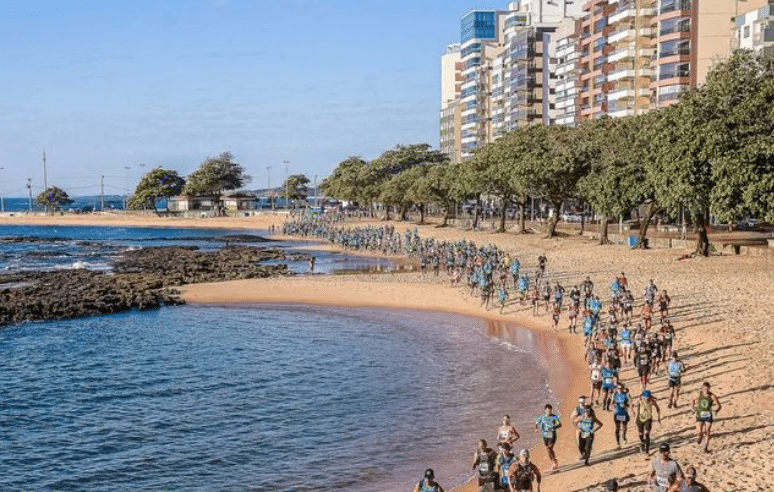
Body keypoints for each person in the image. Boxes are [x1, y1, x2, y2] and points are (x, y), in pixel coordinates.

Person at [692, 382, 721, 453]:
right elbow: (692, 399)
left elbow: (719, 405)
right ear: (702, 388)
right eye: (704, 389)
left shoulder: (712, 396)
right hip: (700, 414)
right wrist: (692, 408)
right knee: (699, 431)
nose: (706, 391)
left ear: (709, 388)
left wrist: (716, 411)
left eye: (707, 389)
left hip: (708, 415)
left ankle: (705, 447)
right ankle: (700, 436)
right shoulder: (699, 394)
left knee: (708, 431)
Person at [535, 404, 562, 470]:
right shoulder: (542, 417)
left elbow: (560, 425)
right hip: (545, 435)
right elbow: (536, 423)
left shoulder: (554, 417)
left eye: (550, 411)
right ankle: (554, 460)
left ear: (551, 410)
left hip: (552, 434)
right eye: (547, 411)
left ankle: (554, 462)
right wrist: (536, 429)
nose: (549, 412)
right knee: (548, 449)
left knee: (550, 448)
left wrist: (554, 427)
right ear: (545, 410)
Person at [634, 389, 661, 454]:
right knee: (641, 434)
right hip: (640, 418)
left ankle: (647, 450)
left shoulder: (652, 401)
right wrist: (634, 414)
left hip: (648, 419)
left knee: (647, 433)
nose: (647, 399)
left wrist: (658, 418)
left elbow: (658, 408)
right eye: (646, 397)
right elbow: (632, 405)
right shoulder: (640, 400)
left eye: (648, 397)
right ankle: (642, 442)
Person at [612, 383, 631, 449]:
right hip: (617, 413)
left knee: (624, 427)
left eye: (620, 388)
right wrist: (614, 405)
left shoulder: (626, 395)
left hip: (624, 413)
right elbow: (612, 403)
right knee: (617, 428)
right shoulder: (615, 395)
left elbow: (629, 404)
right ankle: (618, 442)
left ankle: (624, 436)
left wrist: (624, 405)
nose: (619, 389)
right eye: (618, 388)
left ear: (623, 388)